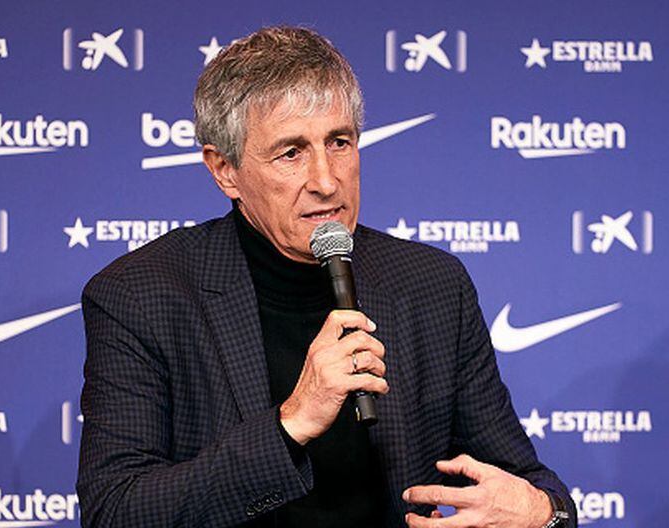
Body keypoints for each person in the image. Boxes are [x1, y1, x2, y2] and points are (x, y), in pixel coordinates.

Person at [77, 26, 576, 528]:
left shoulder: (432, 285)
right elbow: (115, 510)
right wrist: (291, 422)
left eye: (339, 142)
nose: (326, 180)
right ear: (224, 169)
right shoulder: (141, 295)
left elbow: (528, 486)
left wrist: (541, 512)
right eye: (291, 153)